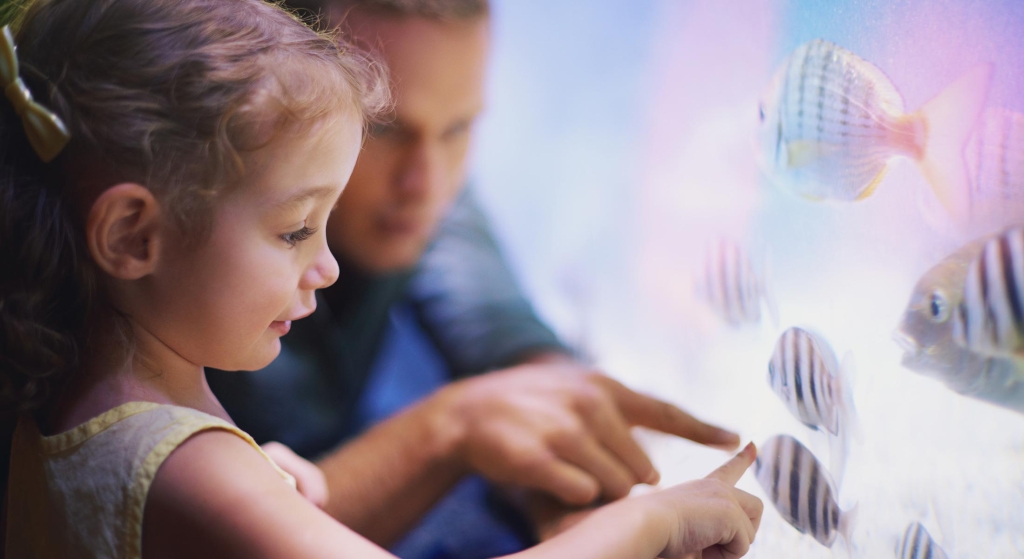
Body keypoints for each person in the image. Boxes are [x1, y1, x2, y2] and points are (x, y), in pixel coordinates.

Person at [0, 1, 766, 557]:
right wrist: (648, 523)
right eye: (296, 229)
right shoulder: (184, 465)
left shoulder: (68, 399)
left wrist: (285, 489)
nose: (326, 265)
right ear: (134, 235)